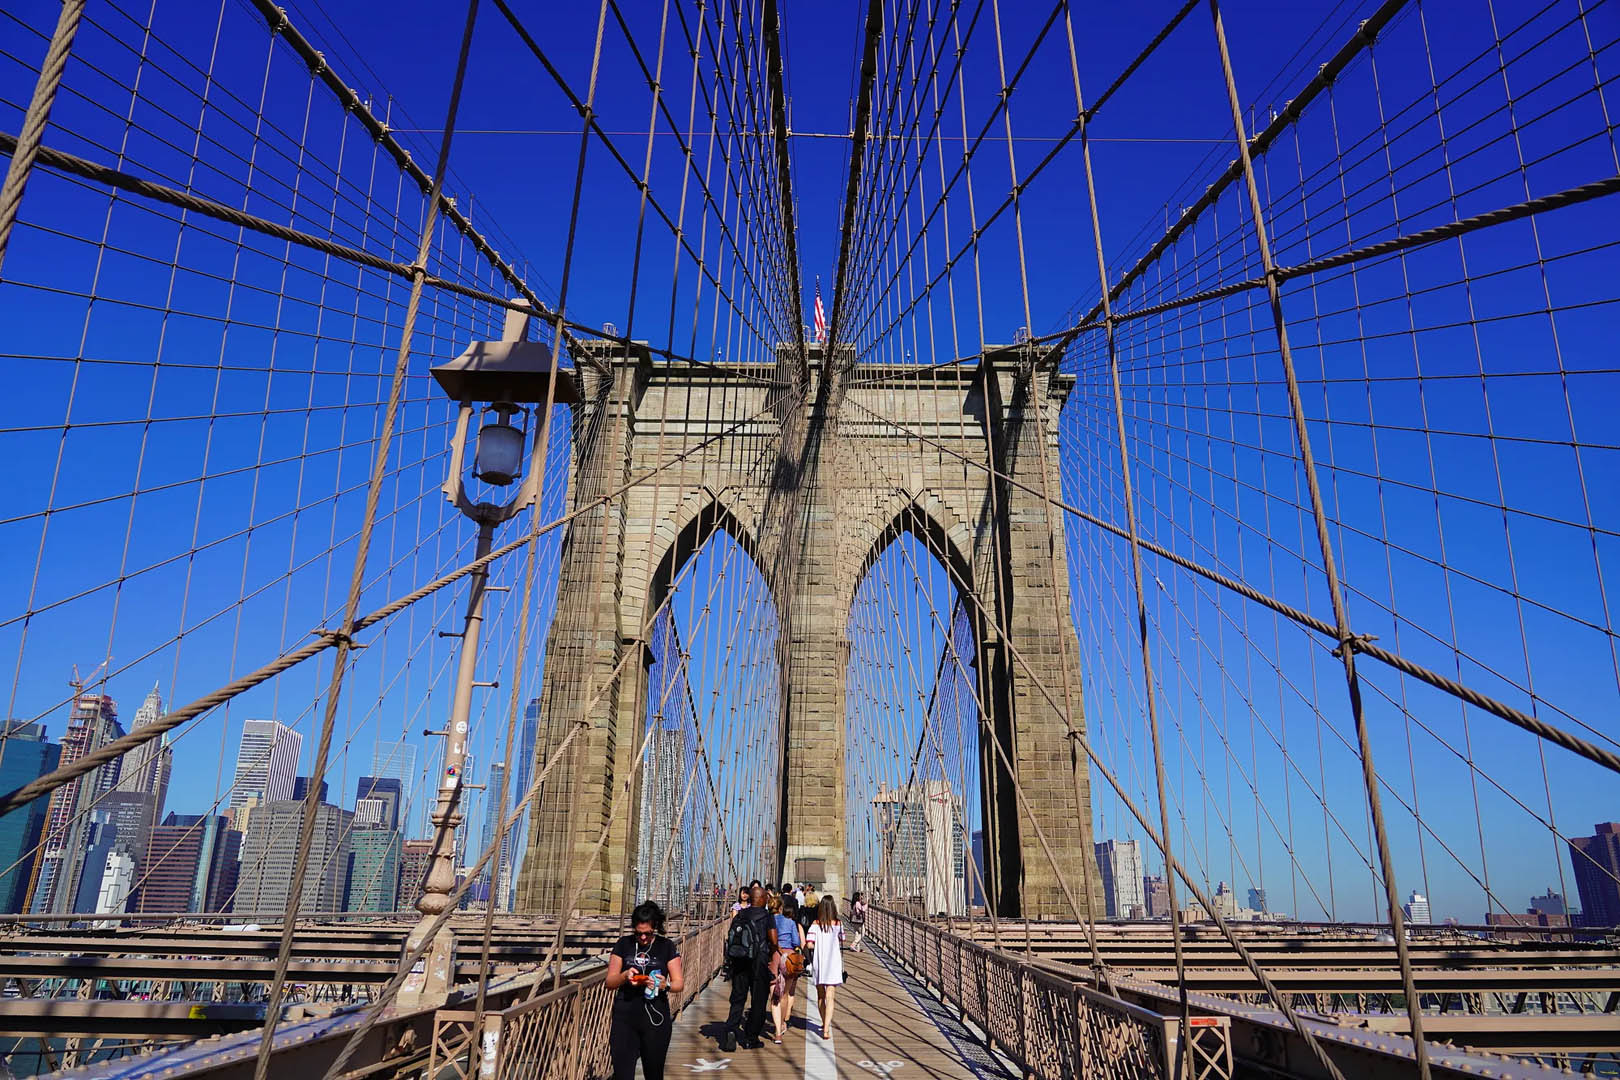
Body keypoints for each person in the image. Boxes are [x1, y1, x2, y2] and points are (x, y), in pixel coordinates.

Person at [605, 901, 686, 1080]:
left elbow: (679, 983)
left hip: (655, 1018)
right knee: (622, 1074)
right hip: (625, 1018)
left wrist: (666, 985)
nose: (643, 938)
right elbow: (610, 981)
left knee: (654, 1074)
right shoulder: (623, 944)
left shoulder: (666, 947)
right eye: (639, 933)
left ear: (654, 928)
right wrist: (624, 976)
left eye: (648, 934)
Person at [721, 884, 775, 1051]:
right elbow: (773, 939)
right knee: (758, 1000)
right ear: (762, 899)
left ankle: (731, 1028)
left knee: (738, 997)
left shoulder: (741, 914)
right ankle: (751, 1038)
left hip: (740, 961)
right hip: (759, 962)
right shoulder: (766, 916)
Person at [805, 896, 846, 1039]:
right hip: (834, 963)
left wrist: (819, 945)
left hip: (819, 963)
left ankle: (824, 1022)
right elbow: (842, 939)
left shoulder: (815, 924)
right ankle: (826, 1029)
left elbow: (809, 944)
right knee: (831, 996)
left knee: (821, 996)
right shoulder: (839, 924)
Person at [769, 895, 803, 1043]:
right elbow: (796, 941)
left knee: (774, 996)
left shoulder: (767, 921)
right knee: (783, 995)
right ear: (781, 908)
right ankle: (782, 1023)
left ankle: (777, 1033)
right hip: (789, 958)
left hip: (773, 957)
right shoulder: (790, 922)